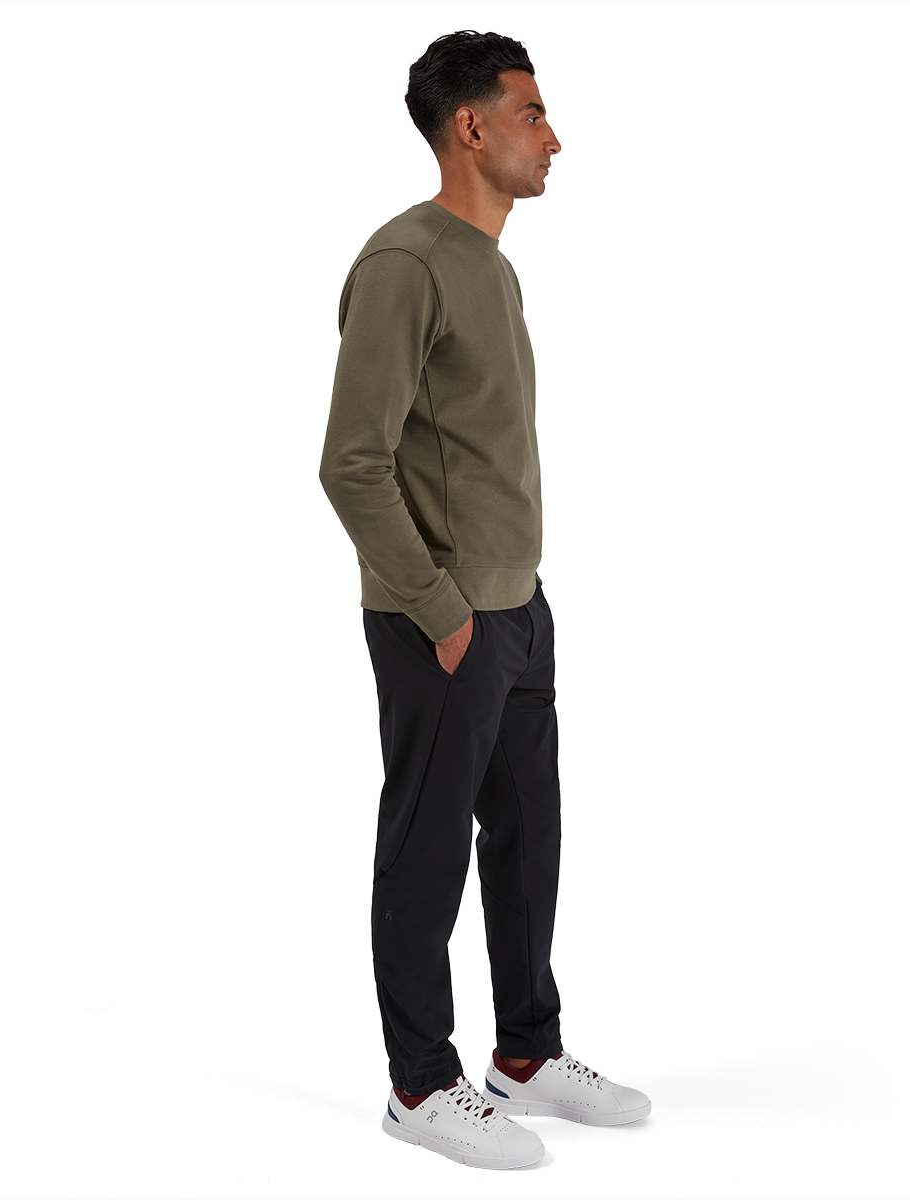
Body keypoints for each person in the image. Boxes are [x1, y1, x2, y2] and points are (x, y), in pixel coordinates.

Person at [318, 28, 651, 1170]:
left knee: (526, 839)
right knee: (426, 852)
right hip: (443, 618)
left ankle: (524, 1055)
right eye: (532, 113)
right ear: (470, 127)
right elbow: (351, 463)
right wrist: (442, 610)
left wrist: (514, 602)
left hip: (517, 607)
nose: (552, 138)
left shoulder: (489, 264)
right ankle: (418, 1085)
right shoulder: (405, 261)